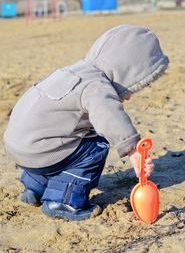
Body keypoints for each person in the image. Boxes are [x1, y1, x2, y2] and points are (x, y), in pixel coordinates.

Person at [4, 25, 169, 221]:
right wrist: (133, 150)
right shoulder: (96, 85)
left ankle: (35, 187)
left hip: (18, 146)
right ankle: (64, 200)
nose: (129, 96)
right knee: (97, 144)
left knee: (70, 135)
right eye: (131, 86)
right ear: (124, 70)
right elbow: (109, 116)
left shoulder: (72, 71)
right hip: (41, 150)